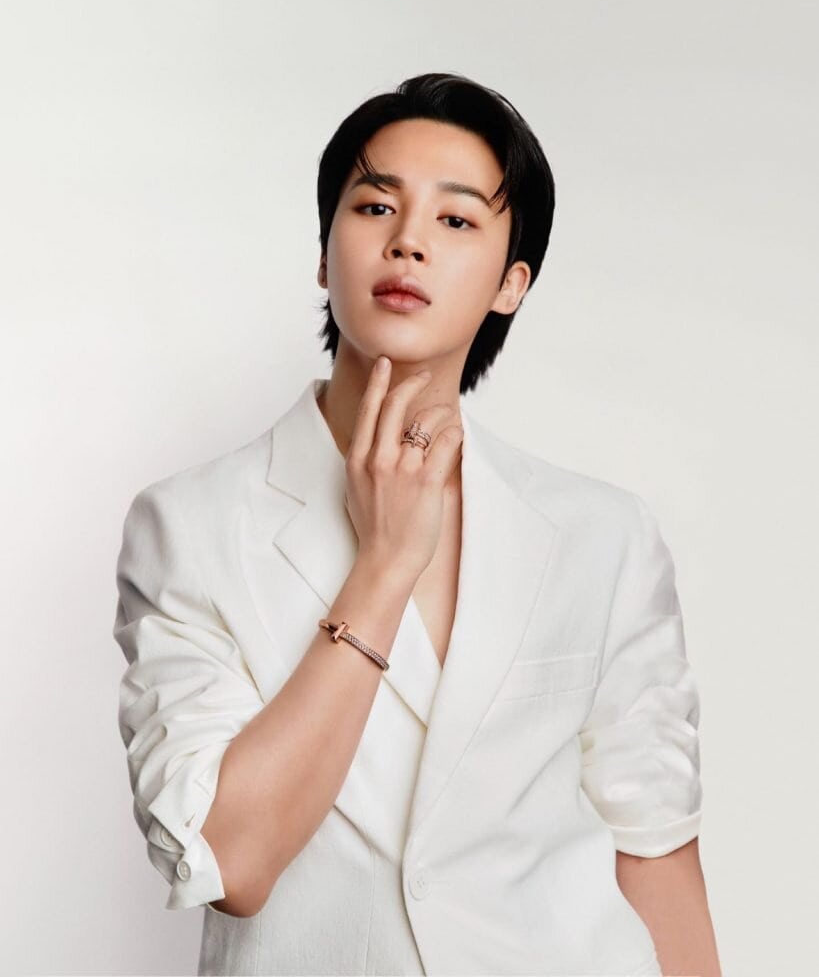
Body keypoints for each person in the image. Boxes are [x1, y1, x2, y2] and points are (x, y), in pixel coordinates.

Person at [113, 72, 721, 976]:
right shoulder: (190, 526)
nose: (407, 241)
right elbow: (231, 861)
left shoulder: (602, 535)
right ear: (325, 257)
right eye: (374, 207)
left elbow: (656, 849)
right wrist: (384, 567)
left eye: (457, 220)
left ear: (511, 284)